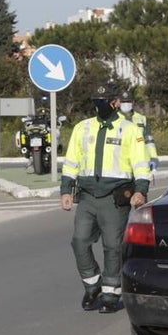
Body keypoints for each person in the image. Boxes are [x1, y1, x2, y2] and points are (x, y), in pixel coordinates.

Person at [59, 83, 151, 314]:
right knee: (79, 241)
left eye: (105, 101)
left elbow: (141, 163)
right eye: (96, 102)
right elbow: (72, 161)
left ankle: (111, 294)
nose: (101, 105)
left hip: (114, 197)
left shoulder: (130, 130)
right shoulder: (83, 128)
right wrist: (65, 190)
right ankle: (92, 285)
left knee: (112, 246)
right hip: (88, 195)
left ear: (116, 102)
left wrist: (140, 190)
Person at [117, 91, 157, 173]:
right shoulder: (115, 119)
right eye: (123, 102)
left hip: (140, 163)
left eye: (128, 101)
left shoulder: (141, 119)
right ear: (119, 103)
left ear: (133, 102)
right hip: (121, 164)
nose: (126, 104)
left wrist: (153, 157)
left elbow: (149, 141)